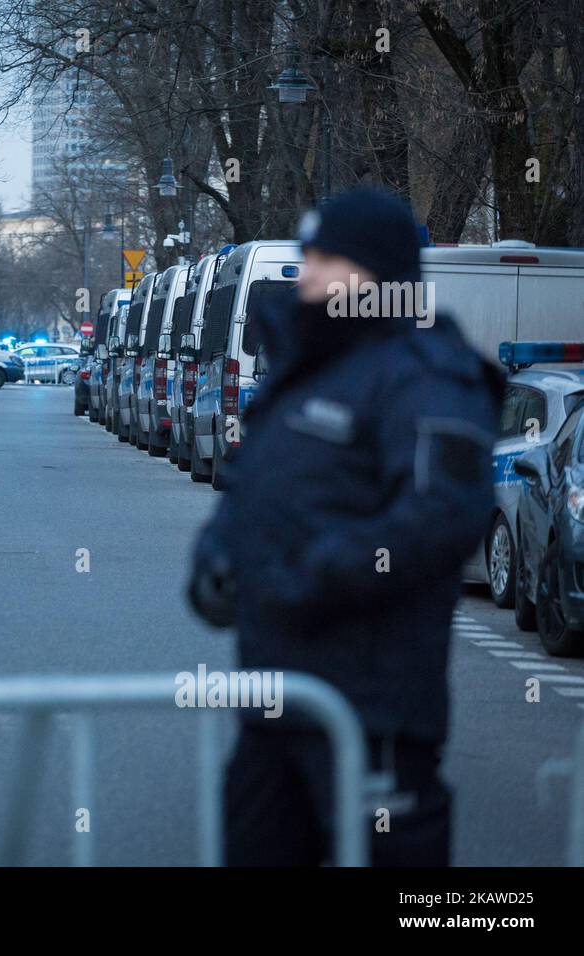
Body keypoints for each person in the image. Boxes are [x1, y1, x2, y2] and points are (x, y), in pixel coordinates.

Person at [188, 186, 503, 866]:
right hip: (273, 700)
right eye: (307, 254)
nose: (307, 272)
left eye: (326, 257)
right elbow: (248, 490)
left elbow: (440, 516)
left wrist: (310, 577)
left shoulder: (429, 374)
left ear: (378, 275)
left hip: (373, 711)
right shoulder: (304, 370)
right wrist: (215, 558)